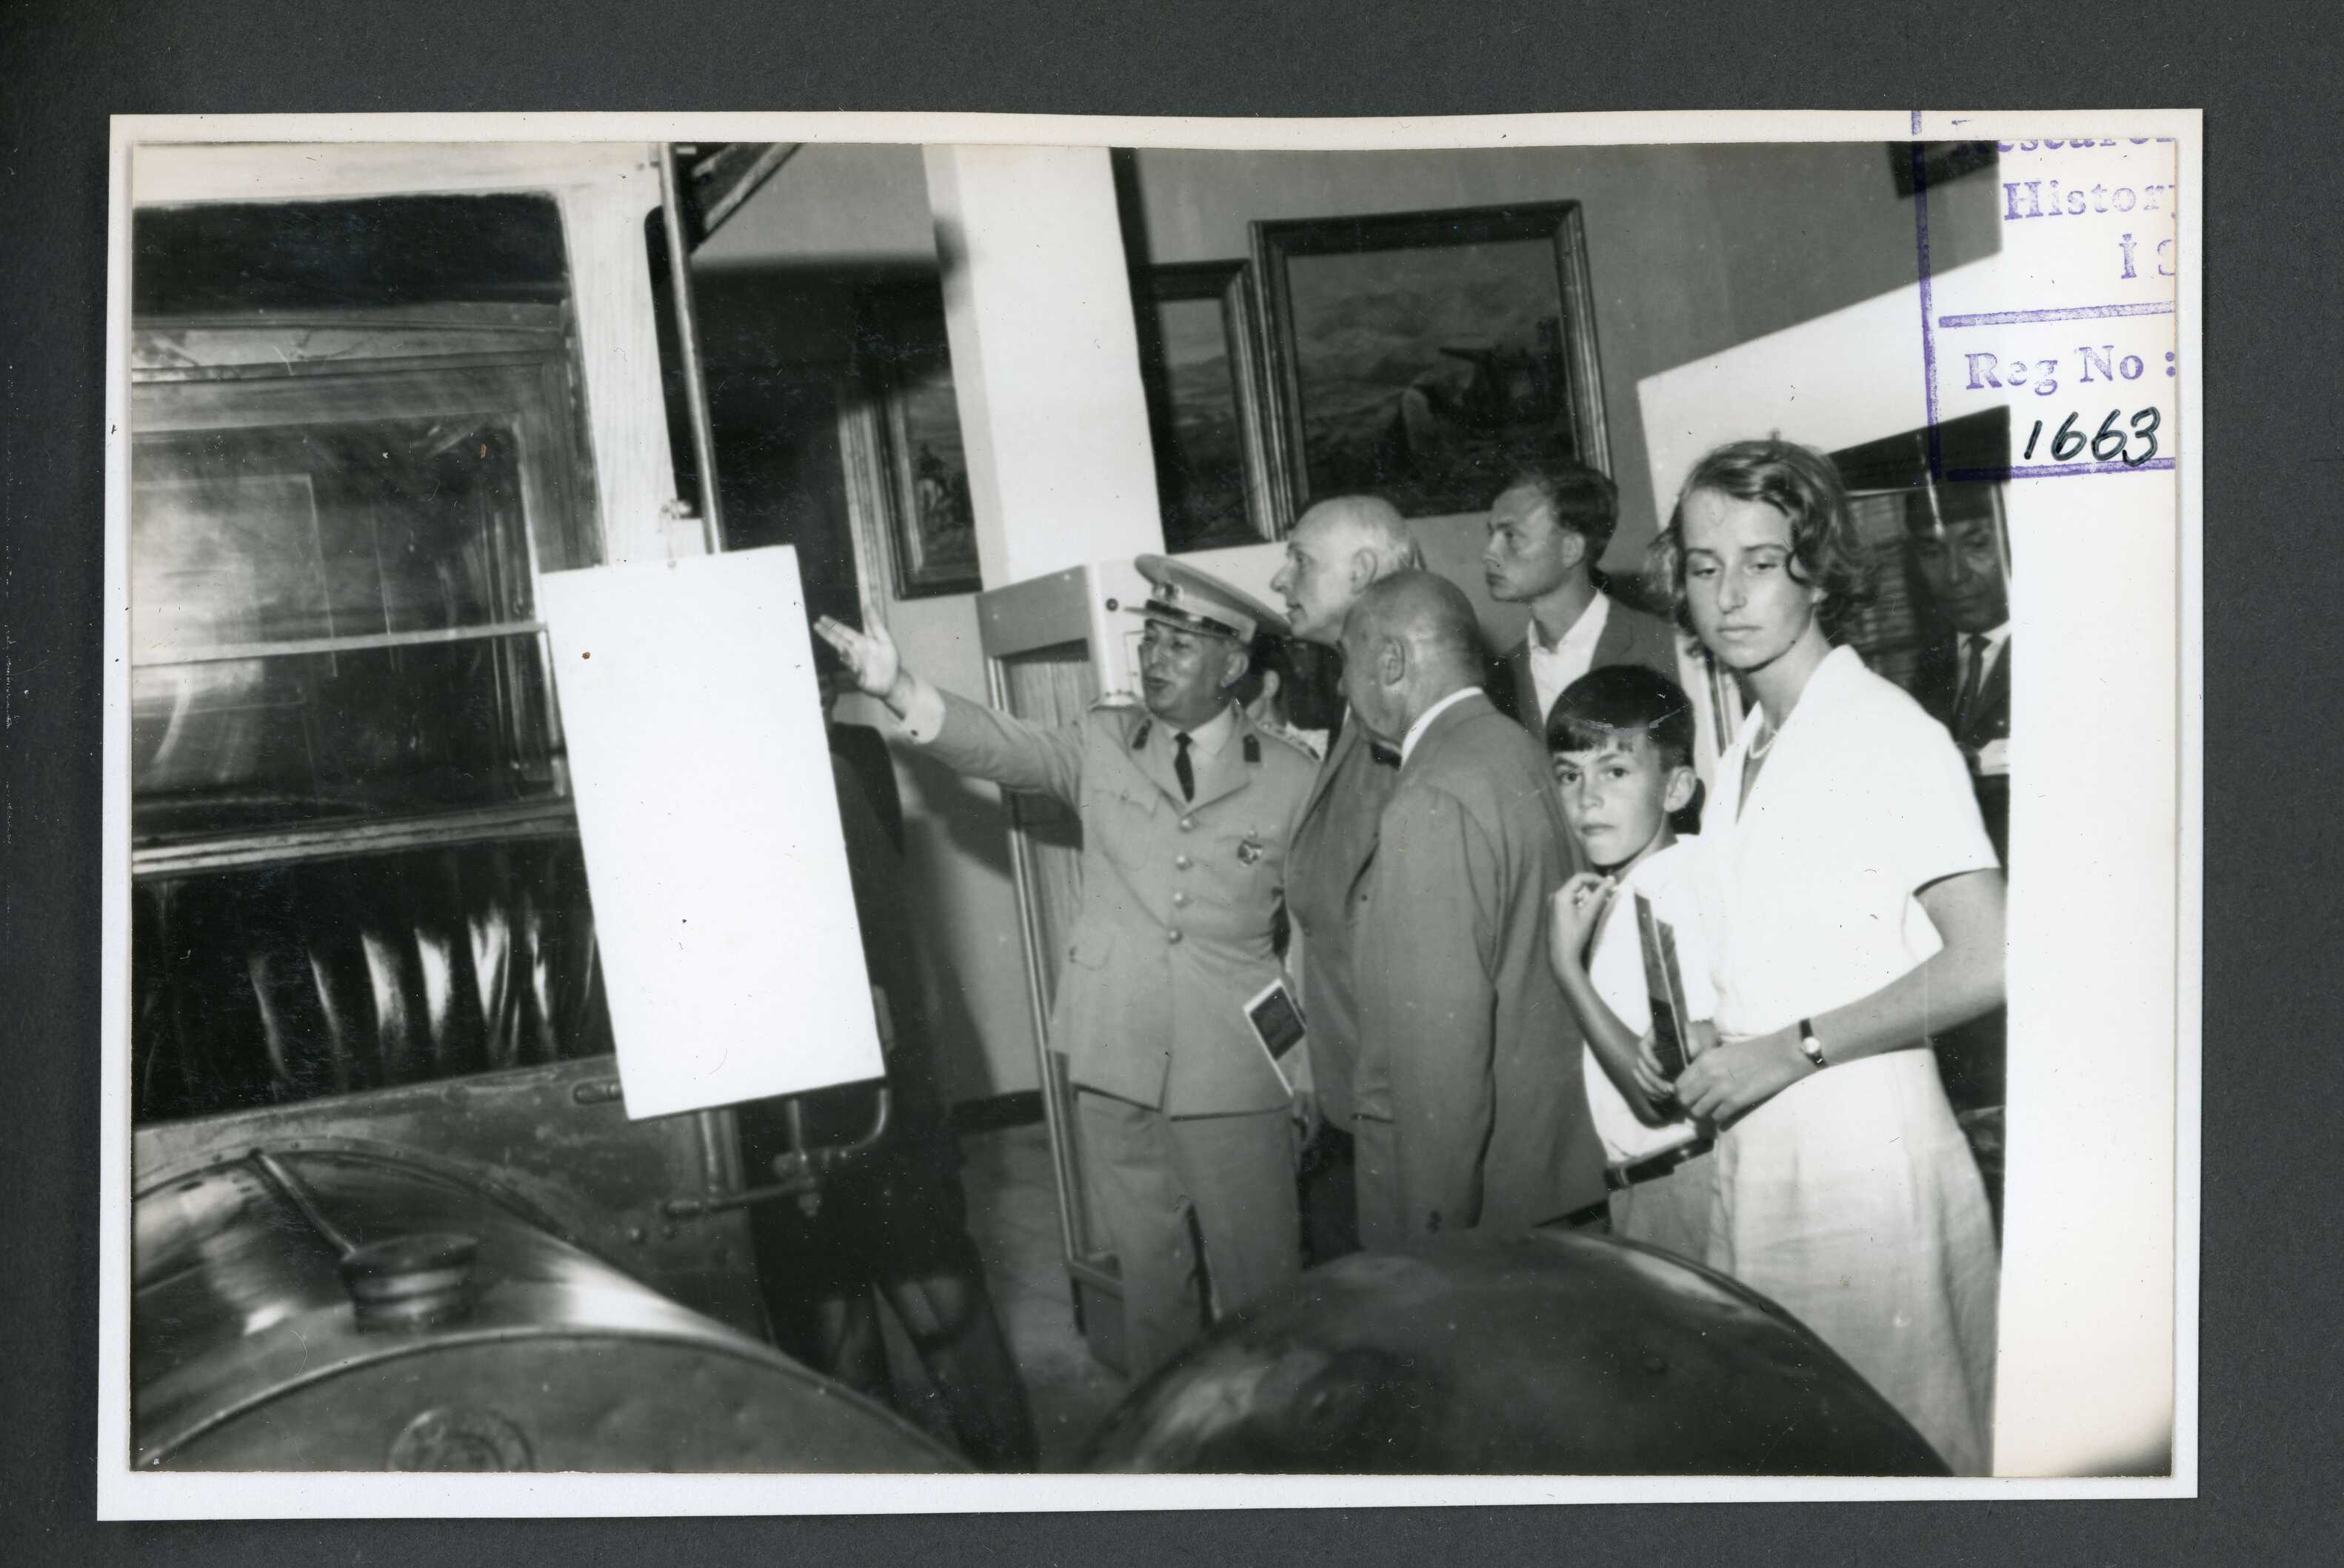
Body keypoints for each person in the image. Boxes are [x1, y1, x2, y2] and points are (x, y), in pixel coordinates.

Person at [815, 558, 1318, 1379]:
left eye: (1180, 643)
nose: (1154, 656)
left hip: (1232, 1066)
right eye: (1150, 637)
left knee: (1263, 1285)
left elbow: (1307, 937)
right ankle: (1167, 1442)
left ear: (1232, 663)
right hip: (1115, 1054)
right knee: (1152, 1281)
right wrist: (899, 686)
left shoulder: (1293, 778)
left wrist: (1303, 1068)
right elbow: (1000, 745)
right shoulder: (1103, 741)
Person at [1652, 438, 2004, 1475]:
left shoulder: (1882, 730)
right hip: (1764, 1156)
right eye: (1706, 565)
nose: (1729, 594)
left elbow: (1992, 956)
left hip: (1867, 1159)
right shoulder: (1743, 752)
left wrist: (1790, 1048)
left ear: (1818, 569)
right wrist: (1717, 1033)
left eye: (1762, 561)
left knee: (1894, 1454)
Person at [735, 741, 1039, 1469]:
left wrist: (919, 1120)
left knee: (943, 1314)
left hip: (871, 1104)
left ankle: (1026, 1505)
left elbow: (897, 956)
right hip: (767, 1113)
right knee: (835, 1355)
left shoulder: (825, 773)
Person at [1339, 570, 1608, 1247]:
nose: (1343, 685)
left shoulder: (1431, 796)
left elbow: (1441, 1060)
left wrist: (1434, 1237)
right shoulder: (1522, 752)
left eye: (1346, 661)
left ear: (1390, 661)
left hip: (1479, 1207)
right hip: (1557, 1176)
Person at [1266, 495, 1423, 1263]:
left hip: (1394, 1092)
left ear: (1361, 570)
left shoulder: (1403, 708)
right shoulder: (1356, 697)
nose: (1279, 578)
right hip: (1350, 1080)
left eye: (1299, 559)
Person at [1540, 664, 1719, 1262]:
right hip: (1647, 1186)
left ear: (1675, 789)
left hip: (1680, 1186)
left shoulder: (1668, 899)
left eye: (1614, 771)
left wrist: (1566, 968)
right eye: (1569, 774)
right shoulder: (1634, 889)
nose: (1586, 797)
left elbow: (1660, 1099)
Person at [1481, 455, 1682, 736]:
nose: (1489, 554)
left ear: (1571, 549)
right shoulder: (1501, 678)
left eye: (1511, 536)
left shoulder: (1666, 647)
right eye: (1491, 534)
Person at [1905, 489, 2011, 864]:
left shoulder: (2061, 654)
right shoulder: (1930, 668)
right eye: (1933, 552)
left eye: (1977, 545)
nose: (1954, 574)